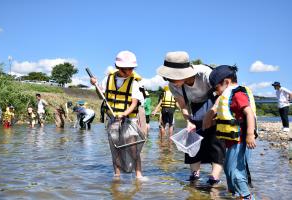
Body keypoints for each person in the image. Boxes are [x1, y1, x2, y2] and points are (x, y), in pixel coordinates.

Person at [156, 51, 225, 185]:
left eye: (172, 78)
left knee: (216, 140)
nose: (170, 81)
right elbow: (182, 104)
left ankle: (214, 177)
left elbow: (223, 94)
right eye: (167, 78)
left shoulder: (205, 74)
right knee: (192, 138)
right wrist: (189, 121)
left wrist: (211, 115)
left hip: (216, 103)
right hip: (195, 107)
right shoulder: (173, 85)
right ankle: (195, 174)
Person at [90, 50, 145, 180]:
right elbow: (101, 96)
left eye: (132, 68)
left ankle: (139, 174)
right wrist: (95, 85)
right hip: (112, 119)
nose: (130, 71)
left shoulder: (134, 82)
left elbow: (134, 103)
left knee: (133, 148)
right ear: (118, 68)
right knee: (115, 148)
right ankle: (117, 174)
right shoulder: (108, 79)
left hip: (129, 121)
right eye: (127, 69)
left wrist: (124, 114)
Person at [209, 65, 257, 199]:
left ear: (226, 82)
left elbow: (249, 113)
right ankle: (236, 194)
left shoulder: (238, 95)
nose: (215, 92)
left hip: (241, 140)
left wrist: (250, 134)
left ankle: (246, 196)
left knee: (236, 171)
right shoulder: (228, 96)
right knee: (228, 168)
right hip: (232, 141)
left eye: (216, 88)